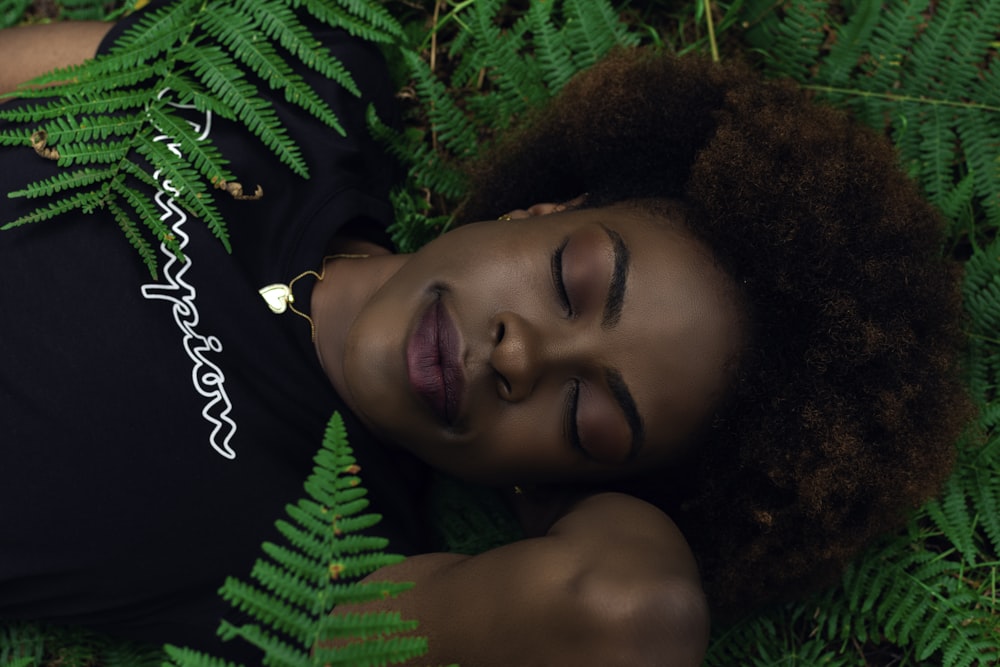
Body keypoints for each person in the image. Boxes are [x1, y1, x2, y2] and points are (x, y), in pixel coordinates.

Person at [0, 3, 971, 666]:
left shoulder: (333, 562)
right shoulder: (307, 79)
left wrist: (550, 494)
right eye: (571, 280)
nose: (520, 355)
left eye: (586, 413)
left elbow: (631, 613)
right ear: (537, 208)